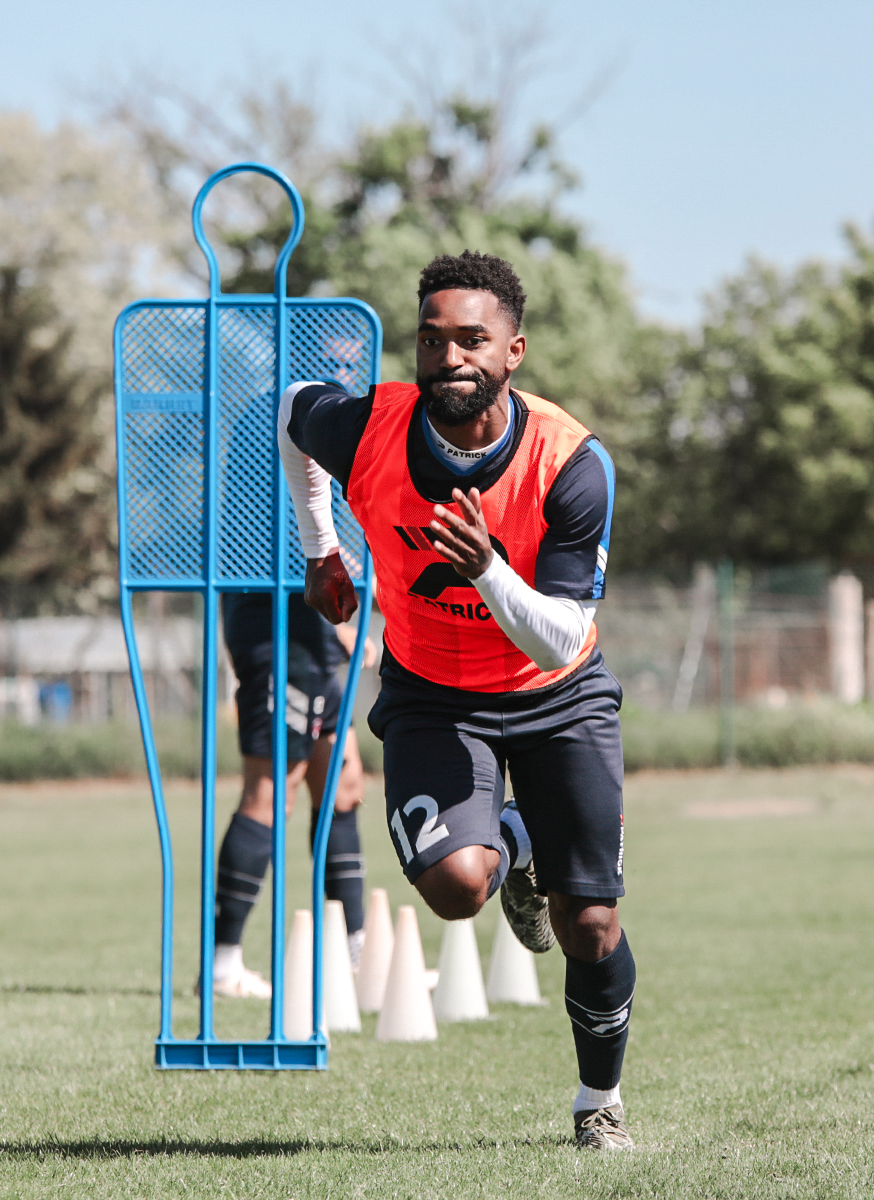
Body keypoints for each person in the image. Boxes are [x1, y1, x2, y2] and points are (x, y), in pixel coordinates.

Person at [277, 251, 636, 1150]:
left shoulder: (573, 463)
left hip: (557, 697)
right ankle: (507, 845)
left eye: (472, 340)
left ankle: (599, 1104)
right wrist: (320, 546)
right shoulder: (366, 428)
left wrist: (487, 569)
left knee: (588, 922)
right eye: (432, 341)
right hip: (436, 697)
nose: (450, 359)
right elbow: (287, 411)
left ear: (513, 351)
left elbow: (559, 635)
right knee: (452, 887)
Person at [209, 590, 371, 998]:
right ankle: (222, 965)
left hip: (310, 641)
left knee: (343, 789)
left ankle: (353, 951)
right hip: (281, 639)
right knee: (269, 794)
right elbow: (299, 543)